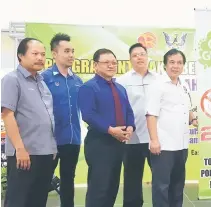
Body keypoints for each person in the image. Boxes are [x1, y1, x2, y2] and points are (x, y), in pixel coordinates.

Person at [1, 38, 57, 207]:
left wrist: (52, 148)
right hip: (24, 155)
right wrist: (20, 148)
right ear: (21, 56)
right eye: (34, 54)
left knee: (38, 200)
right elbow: (7, 115)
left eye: (42, 54)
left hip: (46, 154)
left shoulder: (41, 82)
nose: (40, 58)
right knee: (18, 201)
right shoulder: (12, 80)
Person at [78, 48, 135, 207]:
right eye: (106, 62)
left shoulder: (120, 88)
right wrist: (110, 130)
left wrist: (130, 127)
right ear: (95, 65)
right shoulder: (88, 87)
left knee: (112, 188)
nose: (111, 65)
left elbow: (128, 111)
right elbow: (88, 115)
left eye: (114, 63)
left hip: (119, 144)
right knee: (99, 189)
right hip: (99, 144)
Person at [146, 48, 198, 207]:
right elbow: (151, 115)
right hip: (163, 146)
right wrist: (154, 140)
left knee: (177, 186)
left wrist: (194, 118)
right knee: (161, 187)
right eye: (172, 62)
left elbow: (186, 109)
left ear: (183, 66)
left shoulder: (183, 87)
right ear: (165, 65)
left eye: (180, 62)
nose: (176, 66)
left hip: (182, 145)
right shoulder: (157, 85)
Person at [42, 33, 83, 207]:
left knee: (68, 180)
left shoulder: (78, 81)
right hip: (49, 140)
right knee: (43, 181)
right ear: (54, 53)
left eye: (72, 51)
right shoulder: (44, 78)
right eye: (66, 51)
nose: (71, 55)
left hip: (72, 139)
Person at [116, 43, 157, 207]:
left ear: (148, 57)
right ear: (130, 59)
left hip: (156, 139)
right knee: (132, 179)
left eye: (142, 54)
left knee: (160, 178)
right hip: (132, 139)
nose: (139, 57)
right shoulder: (122, 81)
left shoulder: (159, 79)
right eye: (135, 55)